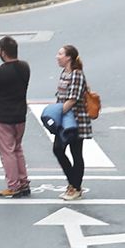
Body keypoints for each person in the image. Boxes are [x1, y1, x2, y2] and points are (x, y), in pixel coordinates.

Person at [0, 35, 33, 197]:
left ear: (2, 52)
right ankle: (23, 182)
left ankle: (13, 185)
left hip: (3, 117)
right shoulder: (25, 67)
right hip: (20, 115)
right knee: (17, 148)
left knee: (7, 151)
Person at [46, 42, 92, 199]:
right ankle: (73, 184)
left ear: (69, 58)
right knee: (58, 150)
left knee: (75, 152)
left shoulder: (77, 74)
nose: (57, 57)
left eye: (60, 54)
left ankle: (76, 187)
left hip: (76, 121)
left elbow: (72, 99)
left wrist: (56, 114)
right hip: (65, 120)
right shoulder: (64, 73)